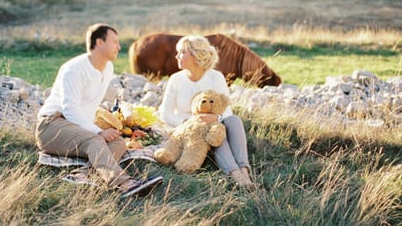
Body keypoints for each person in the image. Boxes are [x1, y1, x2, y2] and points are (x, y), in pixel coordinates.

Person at [35, 23, 163, 198]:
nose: (119, 47)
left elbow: (95, 104)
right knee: (95, 140)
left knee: (118, 142)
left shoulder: (108, 68)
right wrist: (98, 132)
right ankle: (125, 184)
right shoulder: (74, 69)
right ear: (99, 43)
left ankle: (82, 175)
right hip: (52, 126)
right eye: (115, 42)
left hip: (75, 128)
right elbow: (70, 108)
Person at [158, 35, 254, 187]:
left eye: (182, 52)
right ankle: (236, 175)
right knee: (210, 132)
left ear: (196, 56)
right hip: (189, 131)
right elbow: (165, 113)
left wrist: (216, 118)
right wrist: (188, 122)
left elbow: (226, 108)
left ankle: (244, 170)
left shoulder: (215, 77)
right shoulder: (176, 80)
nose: (177, 56)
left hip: (214, 123)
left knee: (233, 120)